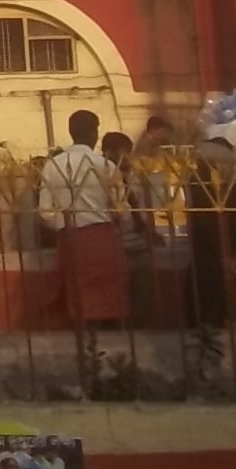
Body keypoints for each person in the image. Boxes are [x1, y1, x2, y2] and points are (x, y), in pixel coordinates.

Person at [35, 109, 125, 328]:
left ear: (71, 132)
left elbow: (44, 211)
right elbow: (121, 208)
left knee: (77, 294)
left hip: (71, 236)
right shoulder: (106, 166)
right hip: (102, 235)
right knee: (108, 294)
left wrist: (65, 225)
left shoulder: (53, 165)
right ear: (94, 134)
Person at [183, 136, 236, 334]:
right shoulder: (206, 182)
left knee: (212, 296)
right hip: (217, 250)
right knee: (214, 295)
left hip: (217, 249)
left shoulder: (219, 183)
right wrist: (234, 251)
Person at [104, 130, 156, 327]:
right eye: (123, 152)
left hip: (140, 242)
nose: (128, 158)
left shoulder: (135, 177)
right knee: (117, 293)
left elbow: (144, 207)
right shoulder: (103, 176)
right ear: (109, 153)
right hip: (117, 243)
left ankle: (140, 326)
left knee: (142, 292)